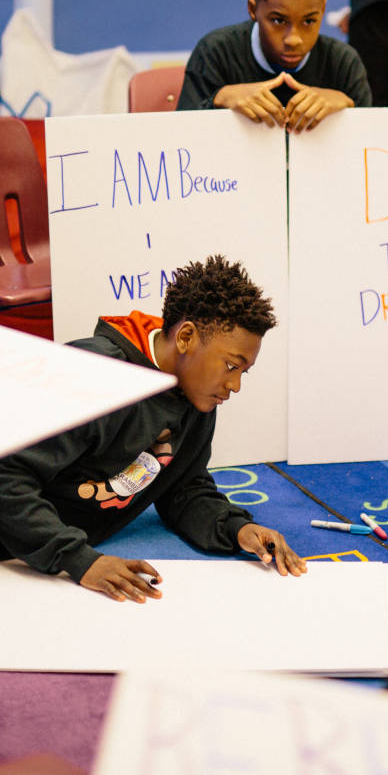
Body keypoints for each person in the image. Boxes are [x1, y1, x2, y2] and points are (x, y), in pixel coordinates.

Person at [0, 256, 306, 602]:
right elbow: (7, 476)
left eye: (243, 371)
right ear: (187, 337)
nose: (235, 385)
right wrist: (79, 559)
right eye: (231, 365)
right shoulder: (94, 374)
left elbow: (181, 487)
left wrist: (237, 528)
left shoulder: (195, 396)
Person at [178, 0, 371, 131]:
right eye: (279, 21)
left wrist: (348, 107)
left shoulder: (343, 63)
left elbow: (370, 147)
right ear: (253, 9)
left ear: (323, 9)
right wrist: (219, 98)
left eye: (309, 21)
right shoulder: (215, 53)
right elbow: (179, 141)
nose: (293, 39)